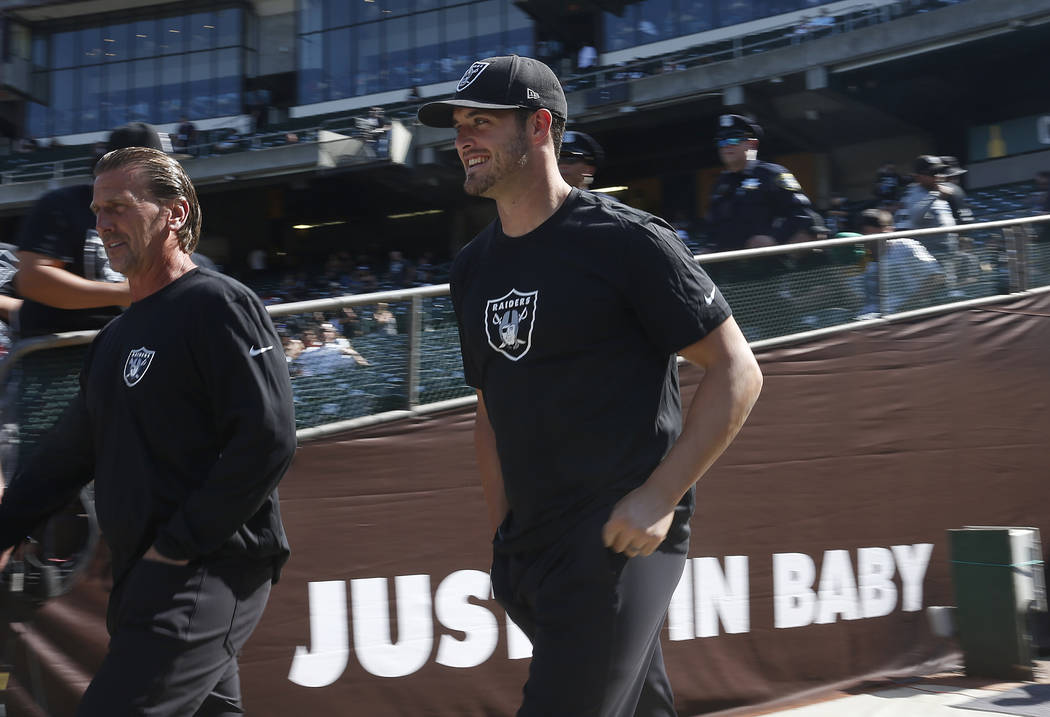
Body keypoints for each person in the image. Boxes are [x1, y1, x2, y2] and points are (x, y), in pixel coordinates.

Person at [418, 55, 763, 717]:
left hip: (618, 537)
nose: (463, 137)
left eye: (482, 121)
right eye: (460, 123)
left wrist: (661, 495)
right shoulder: (471, 270)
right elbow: (489, 413)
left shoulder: (627, 241)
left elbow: (736, 370)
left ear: (540, 125)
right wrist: (503, 534)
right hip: (532, 547)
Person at [0, 146, 297, 716]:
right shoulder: (115, 338)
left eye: (118, 206)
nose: (101, 223)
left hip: (205, 569)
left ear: (175, 214)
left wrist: (176, 547)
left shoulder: (219, 303)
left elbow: (268, 439)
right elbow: (65, 459)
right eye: (96, 210)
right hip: (147, 577)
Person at [14, 122, 171, 338]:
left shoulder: (157, 215)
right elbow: (33, 279)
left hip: (129, 343)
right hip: (59, 353)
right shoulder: (62, 205)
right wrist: (120, 293)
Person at [705, 114, 822, 252]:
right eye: (721, 142)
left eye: (734, 139)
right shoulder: (721, 184)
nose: (727, 146)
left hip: (768, 266)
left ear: (752, 144)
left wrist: (774, 238)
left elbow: (802, 214)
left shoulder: (772, 174)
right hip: (729, 267)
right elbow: (713, 228)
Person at [856, 208, 945, 316]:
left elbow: (936, 276)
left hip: (908, 314)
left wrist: (910, 305)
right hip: (869, 316)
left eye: (880, 226)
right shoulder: (861, 257)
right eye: (864, 229)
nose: (866, 232)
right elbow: (856, 297)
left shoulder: (905, 246)